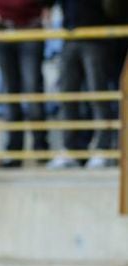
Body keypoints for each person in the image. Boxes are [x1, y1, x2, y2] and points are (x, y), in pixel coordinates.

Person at [0, 0, 54, 167]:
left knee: (33, 89)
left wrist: (48, 6)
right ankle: (14, 151)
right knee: (10, 94)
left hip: (32, 28)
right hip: (3, 30)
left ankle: (41, 148)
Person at [47, 0, 115, 169]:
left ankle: (103, 149)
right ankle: (70, 150)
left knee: (98, 96)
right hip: (69, 36)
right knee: (68, 98)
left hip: (96, 37)